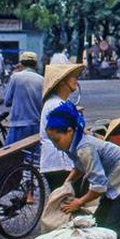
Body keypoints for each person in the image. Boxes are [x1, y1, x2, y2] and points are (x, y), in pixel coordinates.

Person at [45, 101, 120, 239]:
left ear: (69, 130)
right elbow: (80, 167)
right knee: (99, 223)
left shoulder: (84, 148)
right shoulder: (73, 143)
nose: (55, 145)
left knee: (115, 230)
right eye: (52, 141)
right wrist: (66, 184)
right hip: (116, 180)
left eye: (57, 140)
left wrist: (79, 202)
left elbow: (99, 187)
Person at [38, 62, 85, 190]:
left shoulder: (64, 103)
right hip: (59, 163)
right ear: (62, 82)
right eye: (72, 76)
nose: (76, 80)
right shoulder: (55, 104)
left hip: (63, 162)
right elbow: (68, 135)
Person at [3, 51, 43, 147]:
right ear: (36, 64)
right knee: (34, 158)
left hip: (18, 124)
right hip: (36, 124)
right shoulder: (42, 79)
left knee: (10, 157)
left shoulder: (15, 77)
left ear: (21, 63)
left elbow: (7, 101)